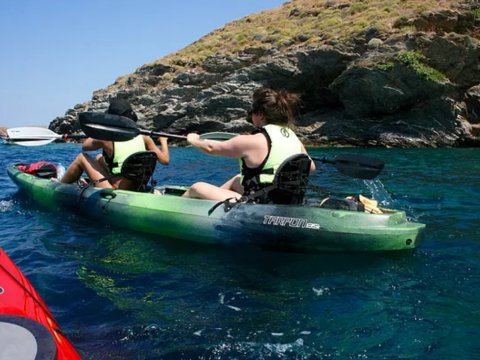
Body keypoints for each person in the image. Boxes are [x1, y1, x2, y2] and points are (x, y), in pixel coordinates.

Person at [182, 87, 316, 202]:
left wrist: (193, 139)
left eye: (252, 113)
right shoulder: (293, 138)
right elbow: (311, 167)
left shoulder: (250, 140)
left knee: (197, 187)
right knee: (237, 179)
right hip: (289, 198)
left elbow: (211, 148)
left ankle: (177, 208)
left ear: (260, 115)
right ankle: (210, 206)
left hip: (261, 203)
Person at [61, 98, 170, 190]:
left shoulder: (106, 138)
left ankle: (59, 186)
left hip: (117, 189)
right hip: (138, 186)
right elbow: (165, 160)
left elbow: (85, 147)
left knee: (81, 158)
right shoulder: (144, 137)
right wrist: (163, 141)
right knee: (100, 157)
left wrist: (100, 132)